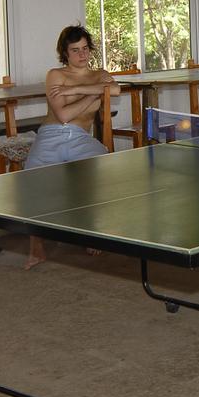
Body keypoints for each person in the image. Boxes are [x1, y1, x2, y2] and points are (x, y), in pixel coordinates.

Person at [23, 25, 119, 269]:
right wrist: (94, 94)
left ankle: (91, 231)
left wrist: (75, 89)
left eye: (85, 48)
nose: (82, 54)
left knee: (103, 169)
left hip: (80, 137)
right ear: (65, 53)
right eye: (75, 50)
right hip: (51, 135)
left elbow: (115, 89)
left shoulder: (100, 74)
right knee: (32, 181)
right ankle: (36, 247)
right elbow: (64, 115)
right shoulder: (56, 75)